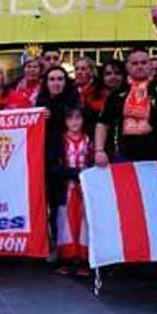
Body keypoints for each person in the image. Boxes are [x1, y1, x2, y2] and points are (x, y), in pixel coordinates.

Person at [94, 50, 157, 165]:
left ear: (151, 66)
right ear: (127, 67)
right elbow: (102, 123)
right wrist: (99, 150)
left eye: (143, 63)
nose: (140, 66)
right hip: (126, 155)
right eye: (135, 63)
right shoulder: (117, 94)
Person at [36, 66, 80, 263]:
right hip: (45, 162)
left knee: (68, 205)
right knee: (51, 206)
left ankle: (72, 247)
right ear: (46, 83)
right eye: (52, 79)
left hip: (69, 160)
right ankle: (53, 244)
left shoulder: (74, 104)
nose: (56, 83)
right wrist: (37, 117)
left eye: (60, 79)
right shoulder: (39, 104)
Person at [51, 107, 92, 276]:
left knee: (85, 223)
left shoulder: (90, 140)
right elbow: (54, 166)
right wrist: (74, 173)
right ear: (65, 122)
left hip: (86, 189)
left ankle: (84, 261)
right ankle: (66, 260)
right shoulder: (60, 141)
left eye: (78, 118)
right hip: (65, 188)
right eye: (70, 119)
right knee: (65, 223)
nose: (74, 122)